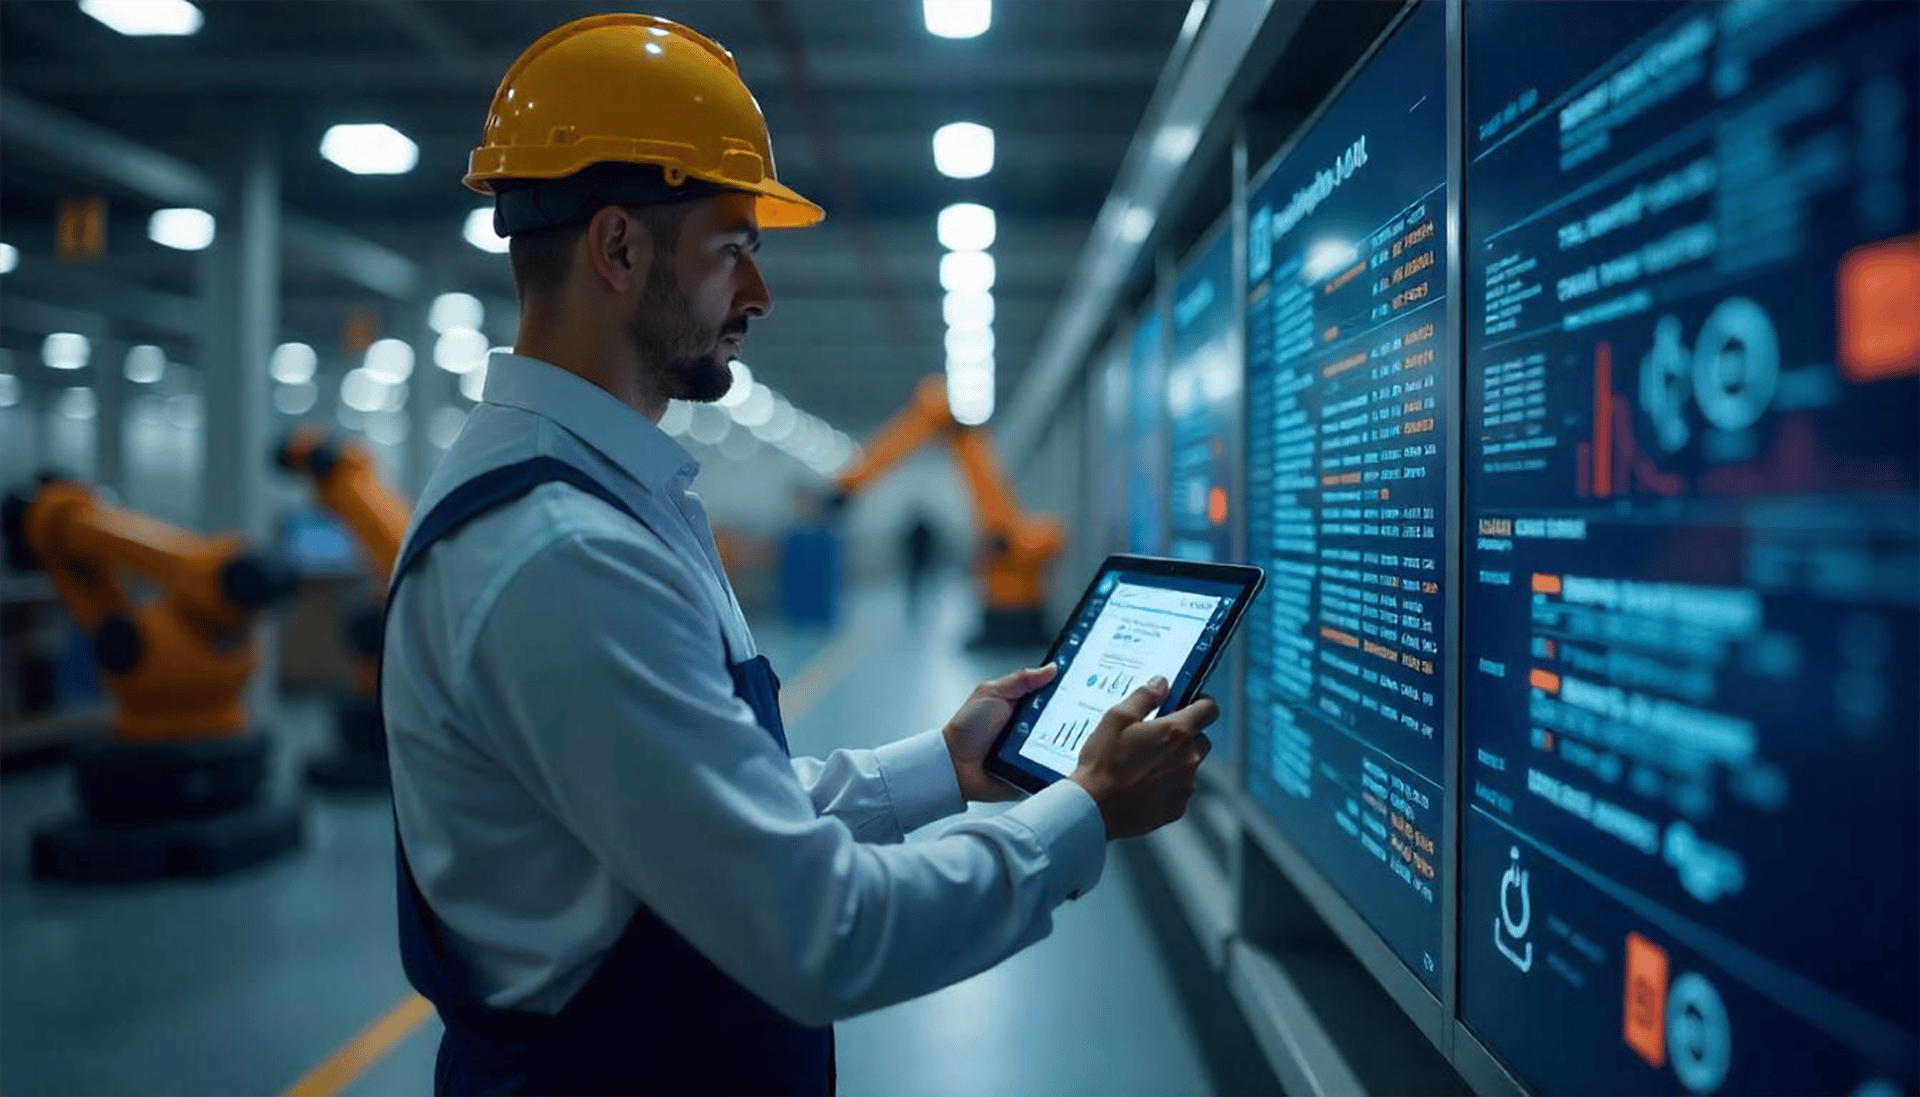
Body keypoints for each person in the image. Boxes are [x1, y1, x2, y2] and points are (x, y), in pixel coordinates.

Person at [380, 14, 1218, 1096]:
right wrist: (1087, 810)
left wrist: (943, 767)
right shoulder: (561, 554)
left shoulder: (614, 500)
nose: (760, 296)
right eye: (734, 248)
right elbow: (821, 928)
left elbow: (704, 814)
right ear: (620, 248)